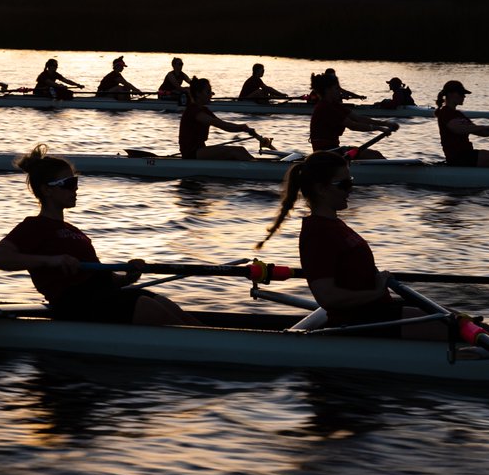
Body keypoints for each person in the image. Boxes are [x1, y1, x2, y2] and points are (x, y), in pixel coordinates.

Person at [0, 145, 199, 325]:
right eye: (68, 185)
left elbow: (99, 279)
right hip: (75, 304)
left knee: (166, 305)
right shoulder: (34, 226)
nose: (75, 190)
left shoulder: (73, 231)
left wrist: (128, 276)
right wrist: (51, 261)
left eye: (76, 183)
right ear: (47, 190)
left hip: (102, 296)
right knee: (149, 306)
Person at [255, 151, 421, 328]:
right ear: (321, 189)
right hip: (361, 324)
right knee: (449, 329)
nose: (350, 189)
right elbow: (327, 297)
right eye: (344, 184)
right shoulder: (318, 233)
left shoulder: (333, 225)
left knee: (449, 320)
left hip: (377, 313)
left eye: (351, 181)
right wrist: (376, 291)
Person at [434, 80, 489, 168]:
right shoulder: (445, 113)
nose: (464, 96)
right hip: (458, 157)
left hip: (468, 155)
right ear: (450, 94)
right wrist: (483, 126)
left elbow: (481, 132)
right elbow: (458, 129)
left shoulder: (459, 114)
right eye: (461, 93)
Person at [309, 72, 398, 159]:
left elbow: (358, 118)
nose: (340, 92)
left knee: (375, 154)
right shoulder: (325, 107)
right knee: (374, 155)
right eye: (336, 89)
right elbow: (353, 125)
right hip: (325, 153)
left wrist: (385, 123)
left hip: (334, 149)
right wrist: (379, 128)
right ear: (328, 90)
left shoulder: (334, 105)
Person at [179, 77, 270, 160]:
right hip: (191, 153)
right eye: (208, 91)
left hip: (200, 150)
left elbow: (223, 124)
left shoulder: (204, 110)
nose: (211, 94)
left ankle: (255, 164)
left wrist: (243, 128)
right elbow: (220, 124)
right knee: (235, 151)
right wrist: (241, 127)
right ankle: (258, 168)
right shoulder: (194, 111)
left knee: (240, 150)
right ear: (198, 94)